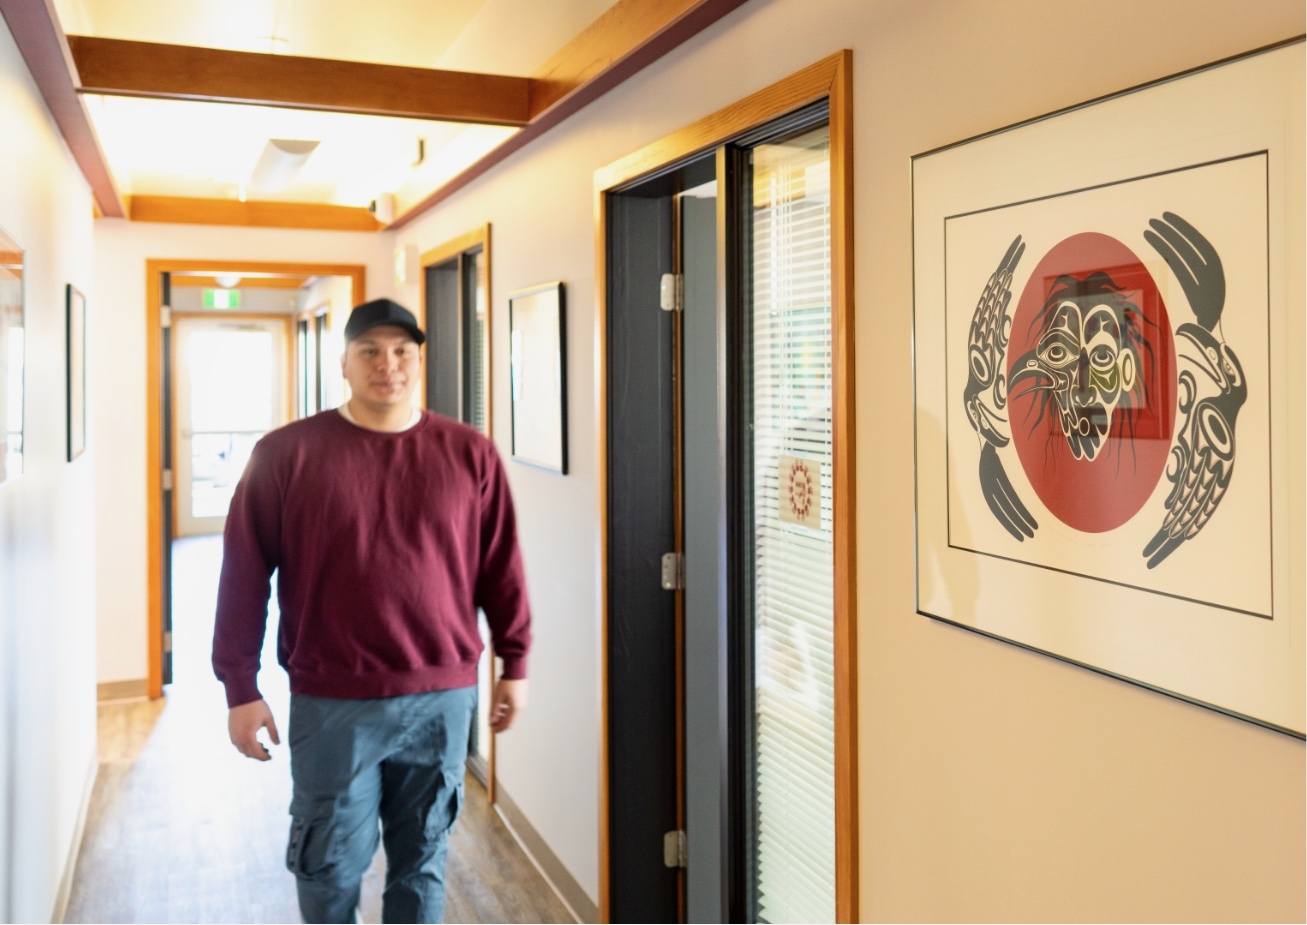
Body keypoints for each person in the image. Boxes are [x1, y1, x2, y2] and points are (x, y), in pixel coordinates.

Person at [212, 297, 531, 924]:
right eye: (370, 351)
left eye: (402, 351)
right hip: (334, 702)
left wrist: (515, 663)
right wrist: (239, 687)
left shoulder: (470, 454)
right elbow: (244, 576)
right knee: (327, 868)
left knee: (422, 865)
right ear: (345, 364)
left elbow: (501, 568)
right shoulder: (287, 455)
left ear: (419, 360)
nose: (388, 364)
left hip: (441, 697)